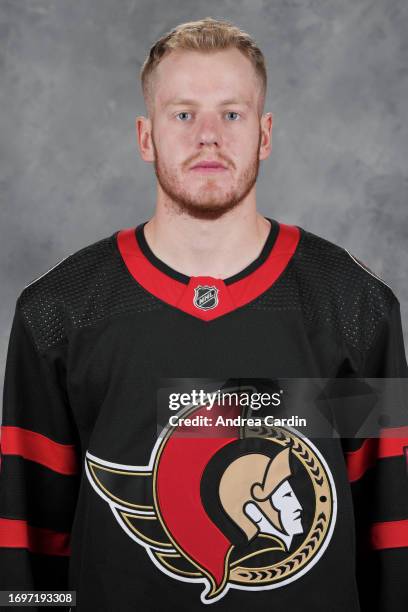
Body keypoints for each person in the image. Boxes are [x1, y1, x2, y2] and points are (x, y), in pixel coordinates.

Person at [0, 16, 407, 611]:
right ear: (146, 137)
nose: (209, 136)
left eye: (232, 114)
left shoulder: (355, 307)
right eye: (184, 114)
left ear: (265, 135)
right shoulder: (58, 313)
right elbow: (28, 545)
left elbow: (389, 524)